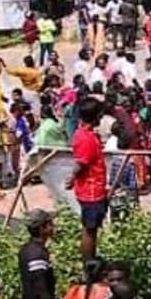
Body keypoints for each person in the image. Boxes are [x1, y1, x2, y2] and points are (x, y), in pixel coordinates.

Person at [66, 97, 109, 261]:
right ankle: (89, 263)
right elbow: (81, 164)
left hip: (92, 189)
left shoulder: (85, 134)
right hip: (91, 191)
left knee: (92, 228)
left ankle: (91, 259)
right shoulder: (86, 138)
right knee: (90, 229)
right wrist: (71, 178)